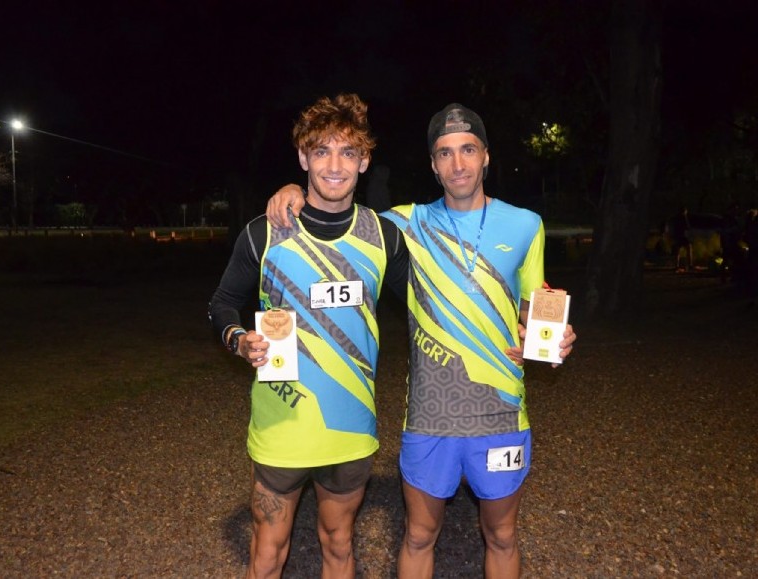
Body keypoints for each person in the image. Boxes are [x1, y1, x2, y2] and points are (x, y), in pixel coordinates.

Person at [267, 103, 576, 578]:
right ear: (433, 165)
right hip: (430, 415)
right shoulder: (403, 224)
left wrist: (554, 338)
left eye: (468, 150)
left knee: (503, 535)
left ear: (486, 156)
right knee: (416, 535)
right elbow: (337, 210)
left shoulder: (525, 225)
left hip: (501, 411)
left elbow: (536, 305)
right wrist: (292, 189)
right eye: (445, 153)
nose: (458, 164)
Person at [208, 93, 408, 579]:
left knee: (338, 544)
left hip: (350, 430)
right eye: (321, 151)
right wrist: (239, 339)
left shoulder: (384, 237)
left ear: (364, 160)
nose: (334, 165)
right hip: (283, 426)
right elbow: (221, 304)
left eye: (347, 152)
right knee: (268, 549)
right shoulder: (264, 232)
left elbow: (431, 309)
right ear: (303, 159)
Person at [669, 206, 693, 272]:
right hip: (683, 236)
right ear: (684, 211)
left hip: (677, 236)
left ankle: (676, 265)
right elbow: (687, 227)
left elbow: (673, 227)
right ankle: (690, 265)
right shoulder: (684, 217)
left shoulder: (676, 218)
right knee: (689, 249)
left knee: (677, 252)